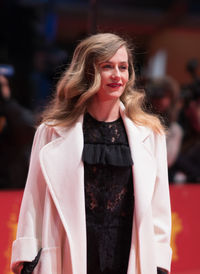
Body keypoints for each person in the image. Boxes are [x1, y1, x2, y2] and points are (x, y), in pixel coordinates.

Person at [11, 33, 172, 274]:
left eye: (123, 67)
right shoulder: (51, 132)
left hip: (130, 256)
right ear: (88, 72)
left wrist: (159, 262)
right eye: (107, 67)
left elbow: (159, 207)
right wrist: (27, 257)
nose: (117, 75)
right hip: (69, 255)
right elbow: (34, 199)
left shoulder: (150, 134)